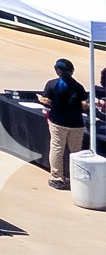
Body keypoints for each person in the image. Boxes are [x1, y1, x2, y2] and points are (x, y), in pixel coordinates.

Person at [42, 56, 91, 189]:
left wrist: (42, 100)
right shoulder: (78, 87)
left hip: (58, 121)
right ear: (72, 71)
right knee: (76, 152)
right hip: (76, 123)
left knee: (57, 148)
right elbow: (84, 103)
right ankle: (76, 177)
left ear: (57, 70)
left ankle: (57, 178)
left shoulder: (52, 84)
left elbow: (47, 100)